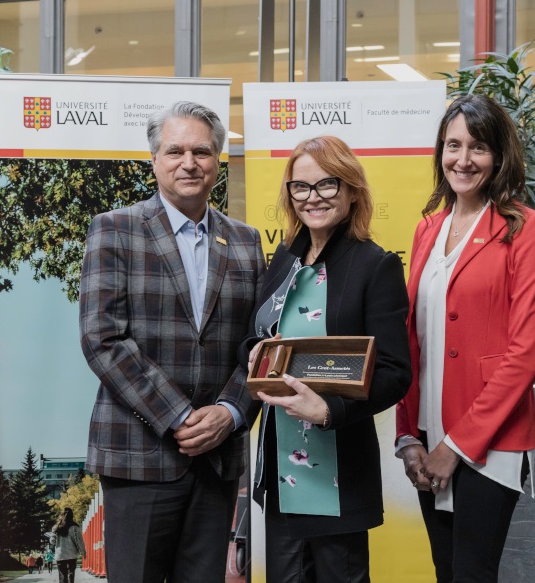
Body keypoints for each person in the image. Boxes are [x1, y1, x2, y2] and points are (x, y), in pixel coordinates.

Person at [79, 100, 266, 583]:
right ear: (155, 159)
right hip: (138, 454)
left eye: (202, 151)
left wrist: (230, 412)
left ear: (218, 160)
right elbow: (103, 337)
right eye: (175, 150)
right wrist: (180, 417)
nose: (189, 162)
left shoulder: (246, 241)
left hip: (217, 458)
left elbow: (260, 344)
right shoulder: (114, 229)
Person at [395, 94, 535, 582]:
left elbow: (524, 355)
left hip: (490, 439)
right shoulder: (428, 229)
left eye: (478, 147)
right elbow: (411, 338)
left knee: (472, 574)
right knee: (446, 572)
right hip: (426, 431)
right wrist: (408, 438)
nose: (463, 160)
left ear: (500, 156)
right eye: (452, 145)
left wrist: (454, 446)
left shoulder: (527, 229)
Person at [241, 135, 411, 582]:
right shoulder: (283, 260)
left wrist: (330, 410)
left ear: (352, 188)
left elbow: (395, 372)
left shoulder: (376, 266)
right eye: (300, 187)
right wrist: (253, 353)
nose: (312, 197)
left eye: (326, 184)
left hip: (338, 474)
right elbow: (255, 337)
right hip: (281, 475)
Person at [52, 508, 86, 583]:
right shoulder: (75, 527)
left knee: (62, 575)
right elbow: (79, 541)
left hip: (60, 555)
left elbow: (52, 541)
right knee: (71, 574)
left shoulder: (56, 527)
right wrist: (83, 552)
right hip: (72, 554)